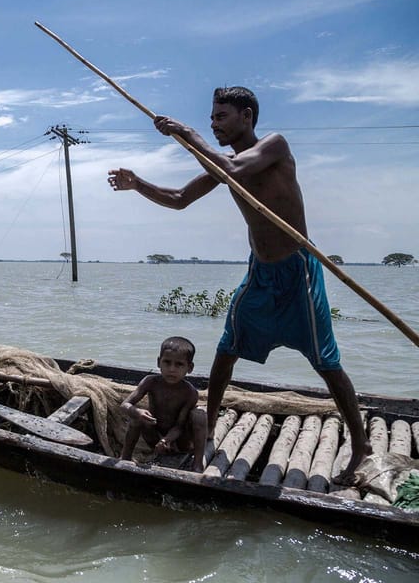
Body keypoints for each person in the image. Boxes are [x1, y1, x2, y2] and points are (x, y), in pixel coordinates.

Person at [107, 86, 369, 485]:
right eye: (211, 119)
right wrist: (137, 184)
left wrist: (189, 134)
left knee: (325, 362)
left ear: (246, 117)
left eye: (221, 117)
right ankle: (207, 428)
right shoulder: (224, 162)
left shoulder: (274, 146)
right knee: (226, 350)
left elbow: (235, 171)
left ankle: (361, 447)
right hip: (260, 274)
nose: (214, 125)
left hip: (297, 270)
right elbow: (179, 198)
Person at [120, 336, 207, 472]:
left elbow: (179, 426)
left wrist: (166, 440)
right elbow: (125, 405)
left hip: (179, 441)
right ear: (158, 362)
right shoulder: (150, 382)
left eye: (179, 364)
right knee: (136, 417)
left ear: (189, 368)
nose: (172, 369)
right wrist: (137, 412)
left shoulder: (190, 393)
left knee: (200, 416)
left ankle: (197, 464)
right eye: (167, 362)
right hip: (154, 437)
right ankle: (125, 458)